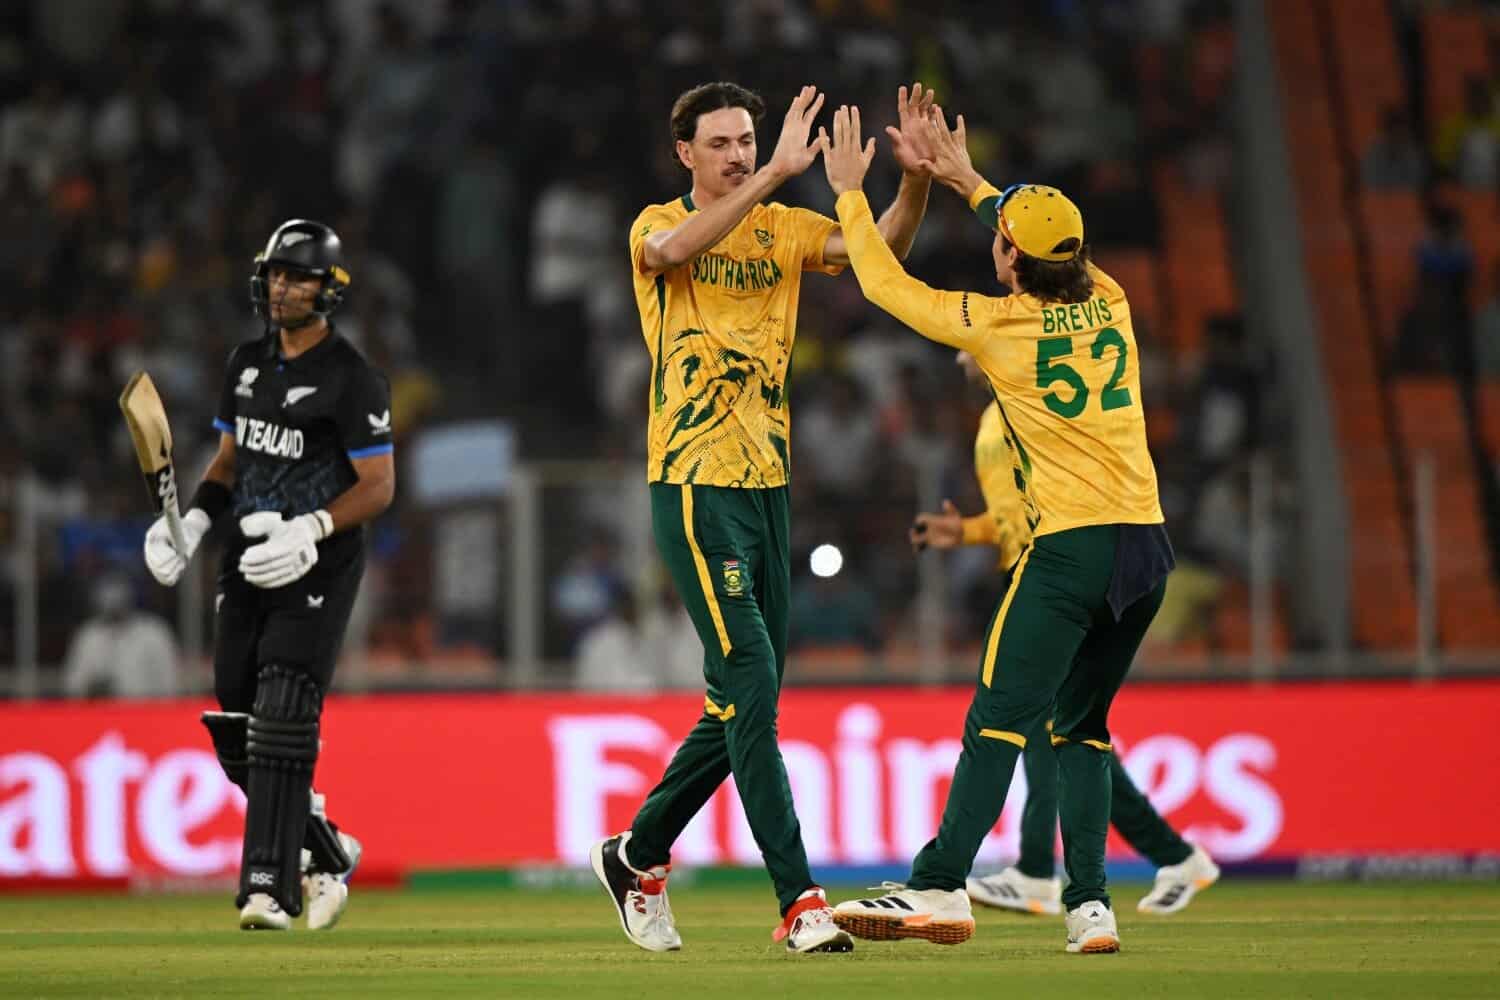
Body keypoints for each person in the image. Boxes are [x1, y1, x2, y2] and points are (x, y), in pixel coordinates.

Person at [590, 80, 937, 955]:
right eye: (721, 143)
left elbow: (879, 253)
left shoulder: (783, 229)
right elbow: (672, 250)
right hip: (693, 481)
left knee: (744, 696)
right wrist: (780, 172)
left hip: (768, 485)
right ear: (685, 153)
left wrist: (912, 184)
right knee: (750, 681)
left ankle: (637, 852)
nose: (739, 155)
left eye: (748, 140)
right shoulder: (654, 223)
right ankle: (799, 902)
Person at [821, 104, 1175, 955]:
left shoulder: (997, 327)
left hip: (1068, 552)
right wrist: (967, 180)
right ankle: (1090, 906)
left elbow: (883, 285)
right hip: (1146, 549)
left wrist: (851, 196)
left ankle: (940, 884)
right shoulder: (1113, 300)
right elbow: (1039, 245)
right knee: (1082, 729)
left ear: (1008, 257)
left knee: (997, 722)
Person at [142, 219, 395, 932]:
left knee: (284, 705)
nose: (282, 288)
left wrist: (312, 528)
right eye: (276, 275)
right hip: (247, 555)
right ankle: (326, 848)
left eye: (298, 278)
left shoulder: (352, 377)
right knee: (236, 718)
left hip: (318, 560)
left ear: (328, 289)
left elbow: (379, 486)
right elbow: (228, 463)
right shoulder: (245, 363)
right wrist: (193, 523)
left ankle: (268, 887)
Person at [913, 351, 1219, 918]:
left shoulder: (1030, 405)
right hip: (1032, 572)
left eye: (966, 344)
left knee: (1048, 727)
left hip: (1055, 579)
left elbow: (1057, 504)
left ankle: (1039, 872)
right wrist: (968, 530)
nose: (959, 355)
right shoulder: (994, 417)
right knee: (1063, 730)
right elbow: (1018, 511)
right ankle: (1170, 856)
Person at [62, 573, 179, 698]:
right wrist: (92, 688)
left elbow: (170, 684)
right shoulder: (88, 635)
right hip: (100, 709)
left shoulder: (154, 632)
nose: (114, 603)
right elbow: (72, 685)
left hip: (145, 708)